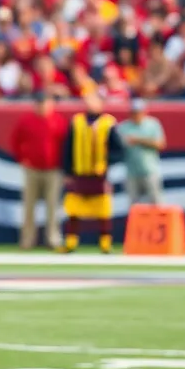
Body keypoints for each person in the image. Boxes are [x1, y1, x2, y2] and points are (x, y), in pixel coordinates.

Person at [60, 91, 122, 253]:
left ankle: (105, 243)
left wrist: (106, 161)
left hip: (99, 174)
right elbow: (68, 148)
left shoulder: (108, 123)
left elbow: (119, 150)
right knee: (73, 208)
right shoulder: (77, 121)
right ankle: (71, 241)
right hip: (80, 172)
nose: (90, 103)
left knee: (103, 209)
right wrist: (67, 172)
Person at [11, 92, 66, 249]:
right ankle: (28, 240)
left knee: (53, 206)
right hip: (32, 169)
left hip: (53, 170)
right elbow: (16, 140)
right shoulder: (27, 120)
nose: (42, 106)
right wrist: (22, 159)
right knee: (29, 206)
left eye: (45, 102)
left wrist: (62, 165)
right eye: (40, 103)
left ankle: (53, 238)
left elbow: (64, 145)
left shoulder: (58, 121)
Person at [118, 98, 166, 206]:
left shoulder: (153, 124)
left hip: (150, 170)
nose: (136, 115)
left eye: (138, 112)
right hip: (131, 171)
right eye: (134, 112)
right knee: (134, 204)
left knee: (156, 201)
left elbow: (160, 144)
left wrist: (138, 140)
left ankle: (157, 223)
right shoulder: (123, 127)